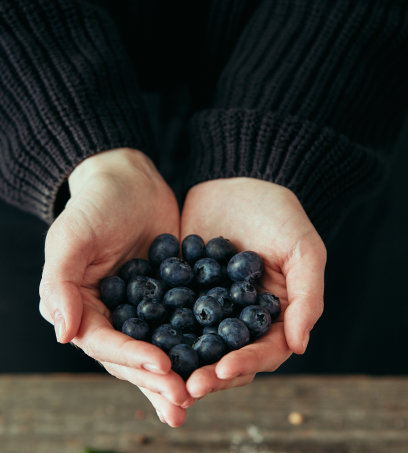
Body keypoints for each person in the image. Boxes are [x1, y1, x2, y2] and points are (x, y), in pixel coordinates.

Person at [1, 1, 407, 427]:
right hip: (41, 138)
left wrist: (276, 143)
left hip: (314, 141)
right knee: (43, 381)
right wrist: (87, 156)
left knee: (307, 378)